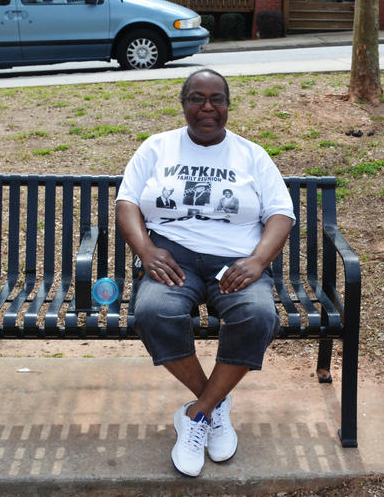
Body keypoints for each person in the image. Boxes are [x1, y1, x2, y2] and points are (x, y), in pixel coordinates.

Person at [116, 68, 294, 477]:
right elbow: (127, 203)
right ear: (183, 104)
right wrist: (146, 249)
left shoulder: (251, 154)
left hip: (234, 261)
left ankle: (197, 414)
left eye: (217, 99)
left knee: (258, 315)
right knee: (153, 312)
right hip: (173, 257)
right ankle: (213, 407)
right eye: (197, 98)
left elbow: (281, 213)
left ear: (228, 106)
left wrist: (257, 262)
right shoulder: (157, 148)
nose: (207, 107)